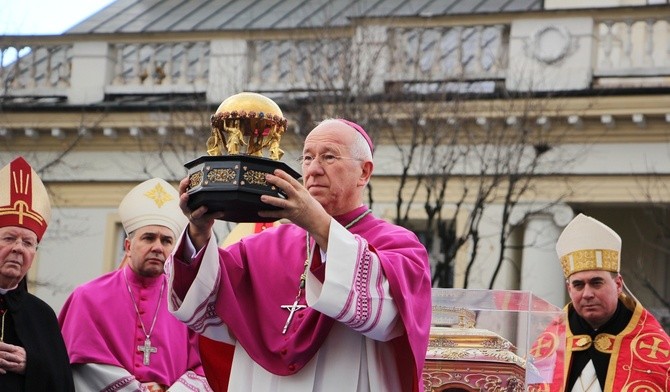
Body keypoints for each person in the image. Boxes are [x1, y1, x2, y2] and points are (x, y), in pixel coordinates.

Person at [166, 118, 432, 392]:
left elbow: (386, 318)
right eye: (307, 158)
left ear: (364, 172)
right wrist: (198, 231)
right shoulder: (262, 247)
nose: (313, 170)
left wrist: (317, 223)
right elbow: (203, 303)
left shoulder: (398, 245)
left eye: (328, 157)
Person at [58, 178, 212, 391]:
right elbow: (80, 361)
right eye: (149, 238)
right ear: (128, 246)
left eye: (166, 241)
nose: (158, 247)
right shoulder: (88, 297)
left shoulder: (187, 302)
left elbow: (206, 366)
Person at [549, 213, 670, 391]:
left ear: (618, 284)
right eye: (578, 285)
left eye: (596, 282)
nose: (587, 294)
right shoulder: (550, 343)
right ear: (569, 289)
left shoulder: (655, 348)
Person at [0, 156, 75, 391]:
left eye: (28, 243)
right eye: (9, 238)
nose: (18, 249)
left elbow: (62, 383)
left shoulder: (42, 316)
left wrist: (31, 365)